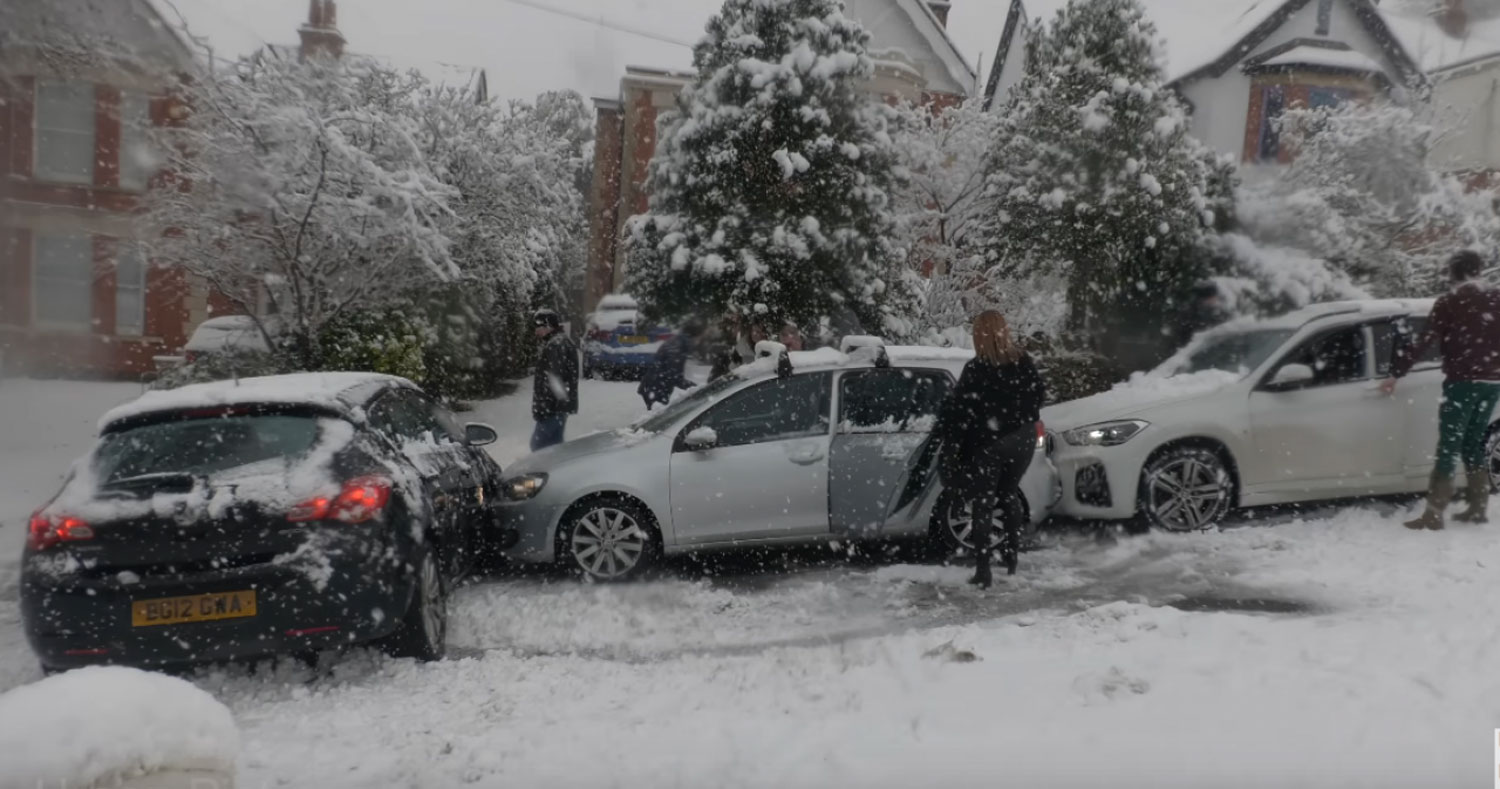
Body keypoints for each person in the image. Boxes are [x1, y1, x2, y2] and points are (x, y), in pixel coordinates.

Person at [1380, 250, 1500, 530]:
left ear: (1454, 273)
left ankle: (1433, 514)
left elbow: (1424, 341)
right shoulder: (1497, 299)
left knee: (1448, 447)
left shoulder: (1450, 302)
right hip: (1493, 383)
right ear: (1478, 271)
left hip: (1462, 384)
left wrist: (1395, 373)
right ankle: (1478, 507)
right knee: (1472, 444)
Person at [933, 310, 1048, 587]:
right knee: (1008, 494)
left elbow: (961, 411)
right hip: (1023, 438)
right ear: (1003, 332)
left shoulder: (977, 368)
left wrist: (954, 441)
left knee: (984, 502)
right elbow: (1039, 396)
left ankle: (983, 570)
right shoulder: (1023, 361)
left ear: (979, 336)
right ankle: (1011, 555)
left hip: (992, 442)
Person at [531, 309, 578, 452]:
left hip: (552, 408)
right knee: (555, 447)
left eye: (538, 327)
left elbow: (554, 378)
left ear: (547, 326)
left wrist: (547, 408)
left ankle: (544, 473)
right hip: (560, 407)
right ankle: (559, 472)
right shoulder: (561, 341)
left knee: (538, 446)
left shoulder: (555, 345)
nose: (536, 332)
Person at [639, 316, 706, 408]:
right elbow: (675, 376)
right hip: (656, 387)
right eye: (700, 338)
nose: (700, 341)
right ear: (694, 336)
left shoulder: (678, 342)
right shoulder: (677, 348)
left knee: (658, 414)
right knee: (659, 416)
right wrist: (697, 388)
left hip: (655, 385)